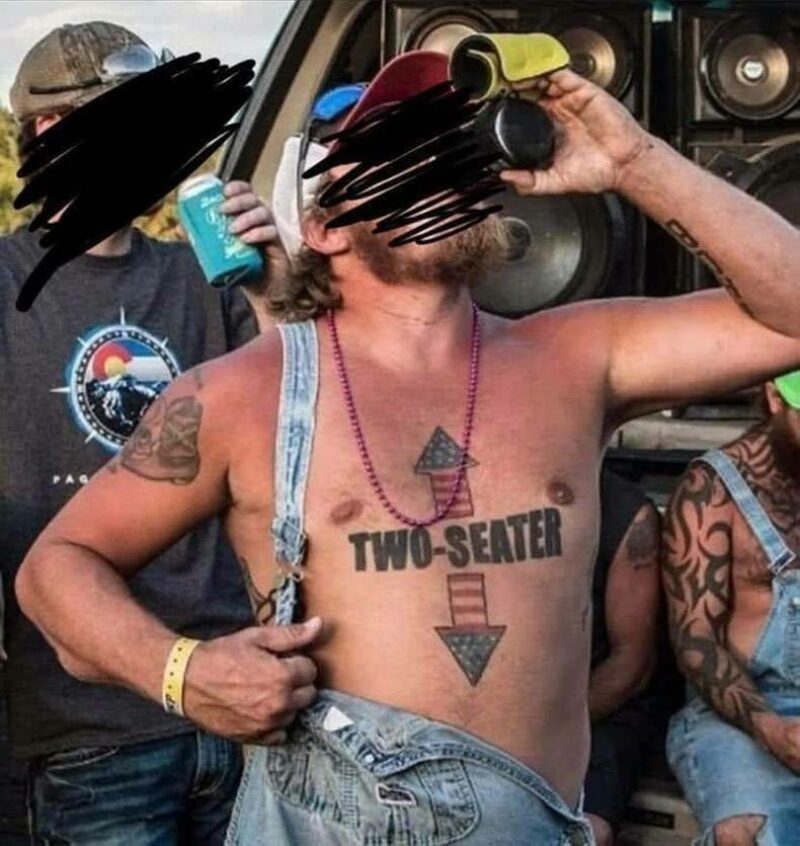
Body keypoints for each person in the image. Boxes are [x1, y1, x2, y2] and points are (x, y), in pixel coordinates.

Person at [15, 49, 800, 845]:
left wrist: (634, 162)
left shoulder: (579, 356)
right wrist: (181, 672)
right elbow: (58, 566)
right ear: (324, 226)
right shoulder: (241, 395)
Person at [0, 21, 283, 845]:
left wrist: (276, 289)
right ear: (52, 130)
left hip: (241, 706)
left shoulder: (206, 274)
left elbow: (300, 424)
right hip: (87, 731)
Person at [663, 373, 800, 846]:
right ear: (775, 398)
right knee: (749, 834)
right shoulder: (713, 489)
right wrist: (773, 730)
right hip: (742, 714)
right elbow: (694, 638)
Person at [585, 469, 662, 845]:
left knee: (587, 832)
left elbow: (631, 667)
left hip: (598, 711)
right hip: (484, 716)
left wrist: (533, 736)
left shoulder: (624, 510)